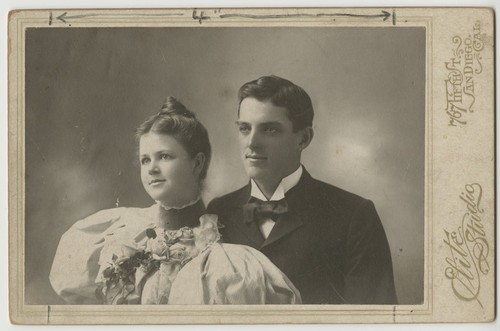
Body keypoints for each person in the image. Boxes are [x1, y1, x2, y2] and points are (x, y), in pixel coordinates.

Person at [49, 97, 301, 305]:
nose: (152, 169)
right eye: (145, 160)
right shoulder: (117, 233)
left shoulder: (229, 261)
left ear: (197, 163)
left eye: (165, 157)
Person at [207, 75, 398, 304]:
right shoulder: (219, 211)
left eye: (270, 130)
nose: (252, 142)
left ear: (304, 138)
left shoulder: (354, 215)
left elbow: (374, 321)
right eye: (245, 129)